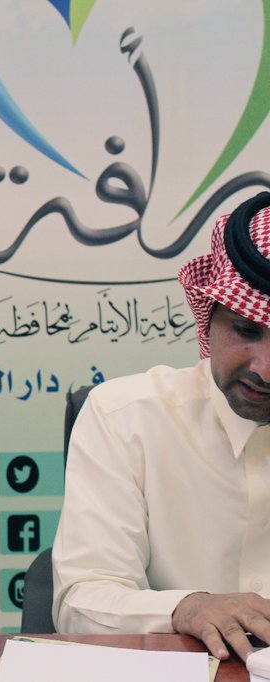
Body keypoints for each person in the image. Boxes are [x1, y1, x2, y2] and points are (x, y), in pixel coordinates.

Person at [52, 191, 270, 661]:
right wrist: (183, 608)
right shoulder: (124, 417)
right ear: (208, 318)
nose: (265, 369)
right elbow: (82, 600)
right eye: (246, 331)